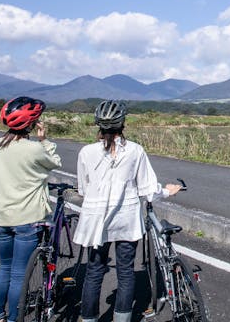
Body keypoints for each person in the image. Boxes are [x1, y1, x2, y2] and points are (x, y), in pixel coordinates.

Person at [73, 100, 182, 322]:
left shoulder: (86, 152)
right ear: (122, 124)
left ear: (98, 125)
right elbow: (149, 190)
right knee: (125, 272)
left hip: (96, 221)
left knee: (94, 273)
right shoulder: (135, 151)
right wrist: (168, 191)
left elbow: (84, 189)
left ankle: (89, 319)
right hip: (127, 219)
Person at [0, 96, 62, 322]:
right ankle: (14, 318)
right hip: (27, 220)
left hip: (1, 218)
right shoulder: (33, 149)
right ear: (31, 124)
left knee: (5, 269)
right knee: (20, 274)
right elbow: (55, 162)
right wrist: (44, 140)